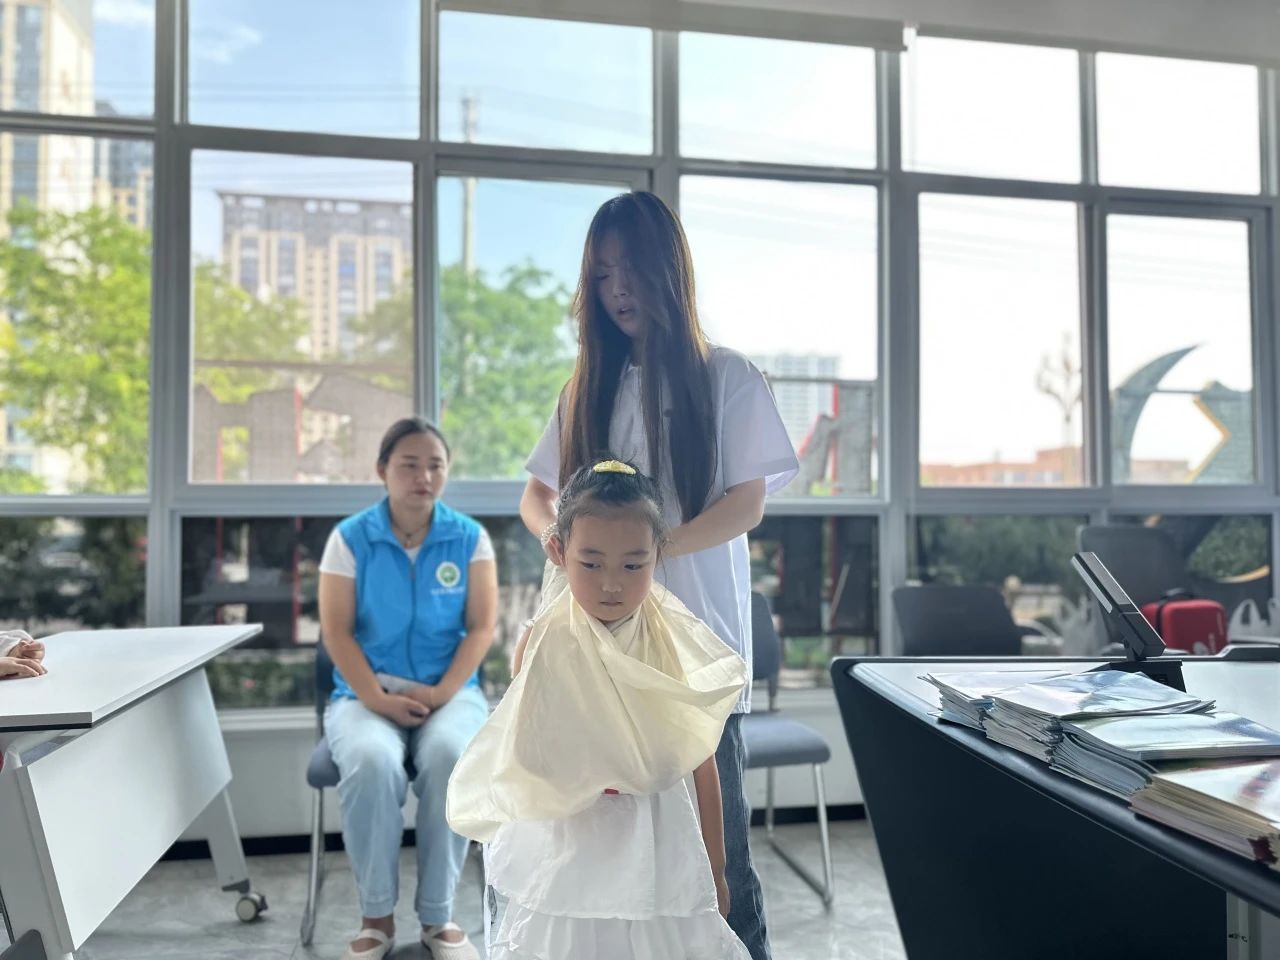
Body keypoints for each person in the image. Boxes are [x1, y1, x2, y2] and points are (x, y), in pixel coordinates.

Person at [520, 191, 798, 959]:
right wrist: (562, 540)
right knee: (603, 863)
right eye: (603, 274)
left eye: (633, 270)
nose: (618, 290)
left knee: (718, 864)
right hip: (600, 657)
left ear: (670, 272)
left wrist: (650, 550)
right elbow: (536, 494)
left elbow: (747, 503)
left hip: (695, 653)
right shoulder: (587, 386)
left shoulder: (727, 376)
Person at [449, 458, 750, 958]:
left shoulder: (669, 645)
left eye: (633, 565)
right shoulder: (541, 642)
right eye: (591, 564)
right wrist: (587, 770)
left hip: (655, 832)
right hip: (570, 835)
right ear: (559, 552)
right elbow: (523, 751)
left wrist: (716, 868)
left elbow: (702, 762)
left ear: (658, 555)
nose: (612, 583)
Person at [319, 417, 496, 960]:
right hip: (364, 694)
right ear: (382, 470)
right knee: (371, 760)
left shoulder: (469, 538)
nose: (424, 477)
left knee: (449, 756)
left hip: (450, 692)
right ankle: (376, 919)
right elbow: (337, 632)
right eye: (410, 465)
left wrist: (441, 694)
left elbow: (481, 628)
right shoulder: (350, 539)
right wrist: (376, 699)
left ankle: (439, 917)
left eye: (436, 465)